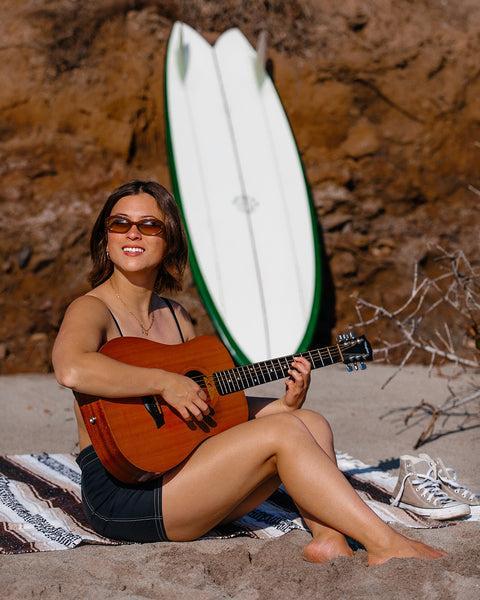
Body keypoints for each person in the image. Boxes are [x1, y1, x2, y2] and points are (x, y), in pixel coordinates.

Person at [52, 180, 445, 565]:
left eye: (149, 224)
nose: (132, 233)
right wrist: (165, 381)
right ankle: (385, 542)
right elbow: (71, 368)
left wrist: (283, 404)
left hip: (178, 474)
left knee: (308, 422)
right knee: (285, 431)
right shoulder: (91, 309)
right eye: (120, 223)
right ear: (105, 237)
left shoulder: (176, 316)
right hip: (123, 493)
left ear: (169, 238)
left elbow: (209, 412)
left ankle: (329, 540)